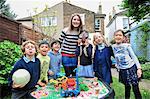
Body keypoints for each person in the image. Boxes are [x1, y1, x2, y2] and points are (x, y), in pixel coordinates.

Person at [112, 29, 142, 99]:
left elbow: (134, 57)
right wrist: (117, 65)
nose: (118, 37)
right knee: (127, 87)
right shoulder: (113, 47)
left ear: (123, 37)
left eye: (120, 35)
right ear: (114, 37)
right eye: (116, 35)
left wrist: (139, 68)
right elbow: (116, 57)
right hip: (123, 70)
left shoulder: (127, 46)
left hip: (131, 68)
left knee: (135, 88)